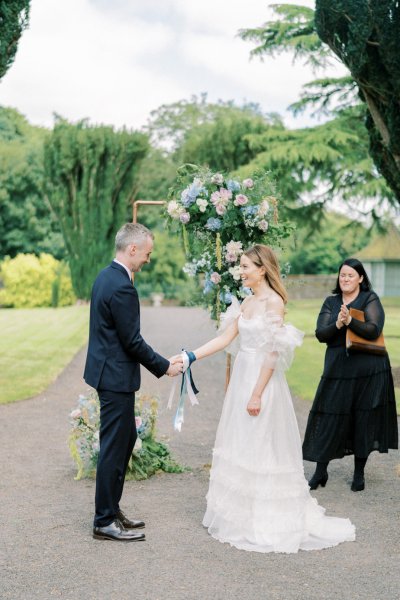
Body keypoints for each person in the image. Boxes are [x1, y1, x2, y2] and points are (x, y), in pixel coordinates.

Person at [184, 245, 355, 553]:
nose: (242, 271)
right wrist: (190, 356)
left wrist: (256, 393)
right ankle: (240, 516)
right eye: (242, 266)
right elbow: (225, 339)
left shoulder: (274, 303)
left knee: (262, 445)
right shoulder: (246, 301)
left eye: (246, 266)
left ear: (262, 269)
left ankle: (266, 519)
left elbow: (273, 352)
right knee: (243, 443)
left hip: (261, 382)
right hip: (242, 377)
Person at [84, 223, 183, 542]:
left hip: (107, 373)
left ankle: (112, 509)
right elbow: (132, 341)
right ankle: (104, 521)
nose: (148, 260)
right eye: (147, 253)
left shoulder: (104, 276)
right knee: (115, 446)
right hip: (114, 377)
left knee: (124, 440)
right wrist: (164, 365)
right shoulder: (122, 286)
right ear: (132, 250)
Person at [302, 258, 398, 492]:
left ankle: (358, 474)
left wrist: (351, 320)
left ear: (361, 278)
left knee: (363, 419)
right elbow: (321, 334)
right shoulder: (331, 301)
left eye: (350, 275)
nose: (345, 279)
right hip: (338, 370)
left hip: (368, 370)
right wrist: (338, 323)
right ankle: (320, 471)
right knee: (329, 416)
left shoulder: (370, 299)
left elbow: (374, 329)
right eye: (342, 275)